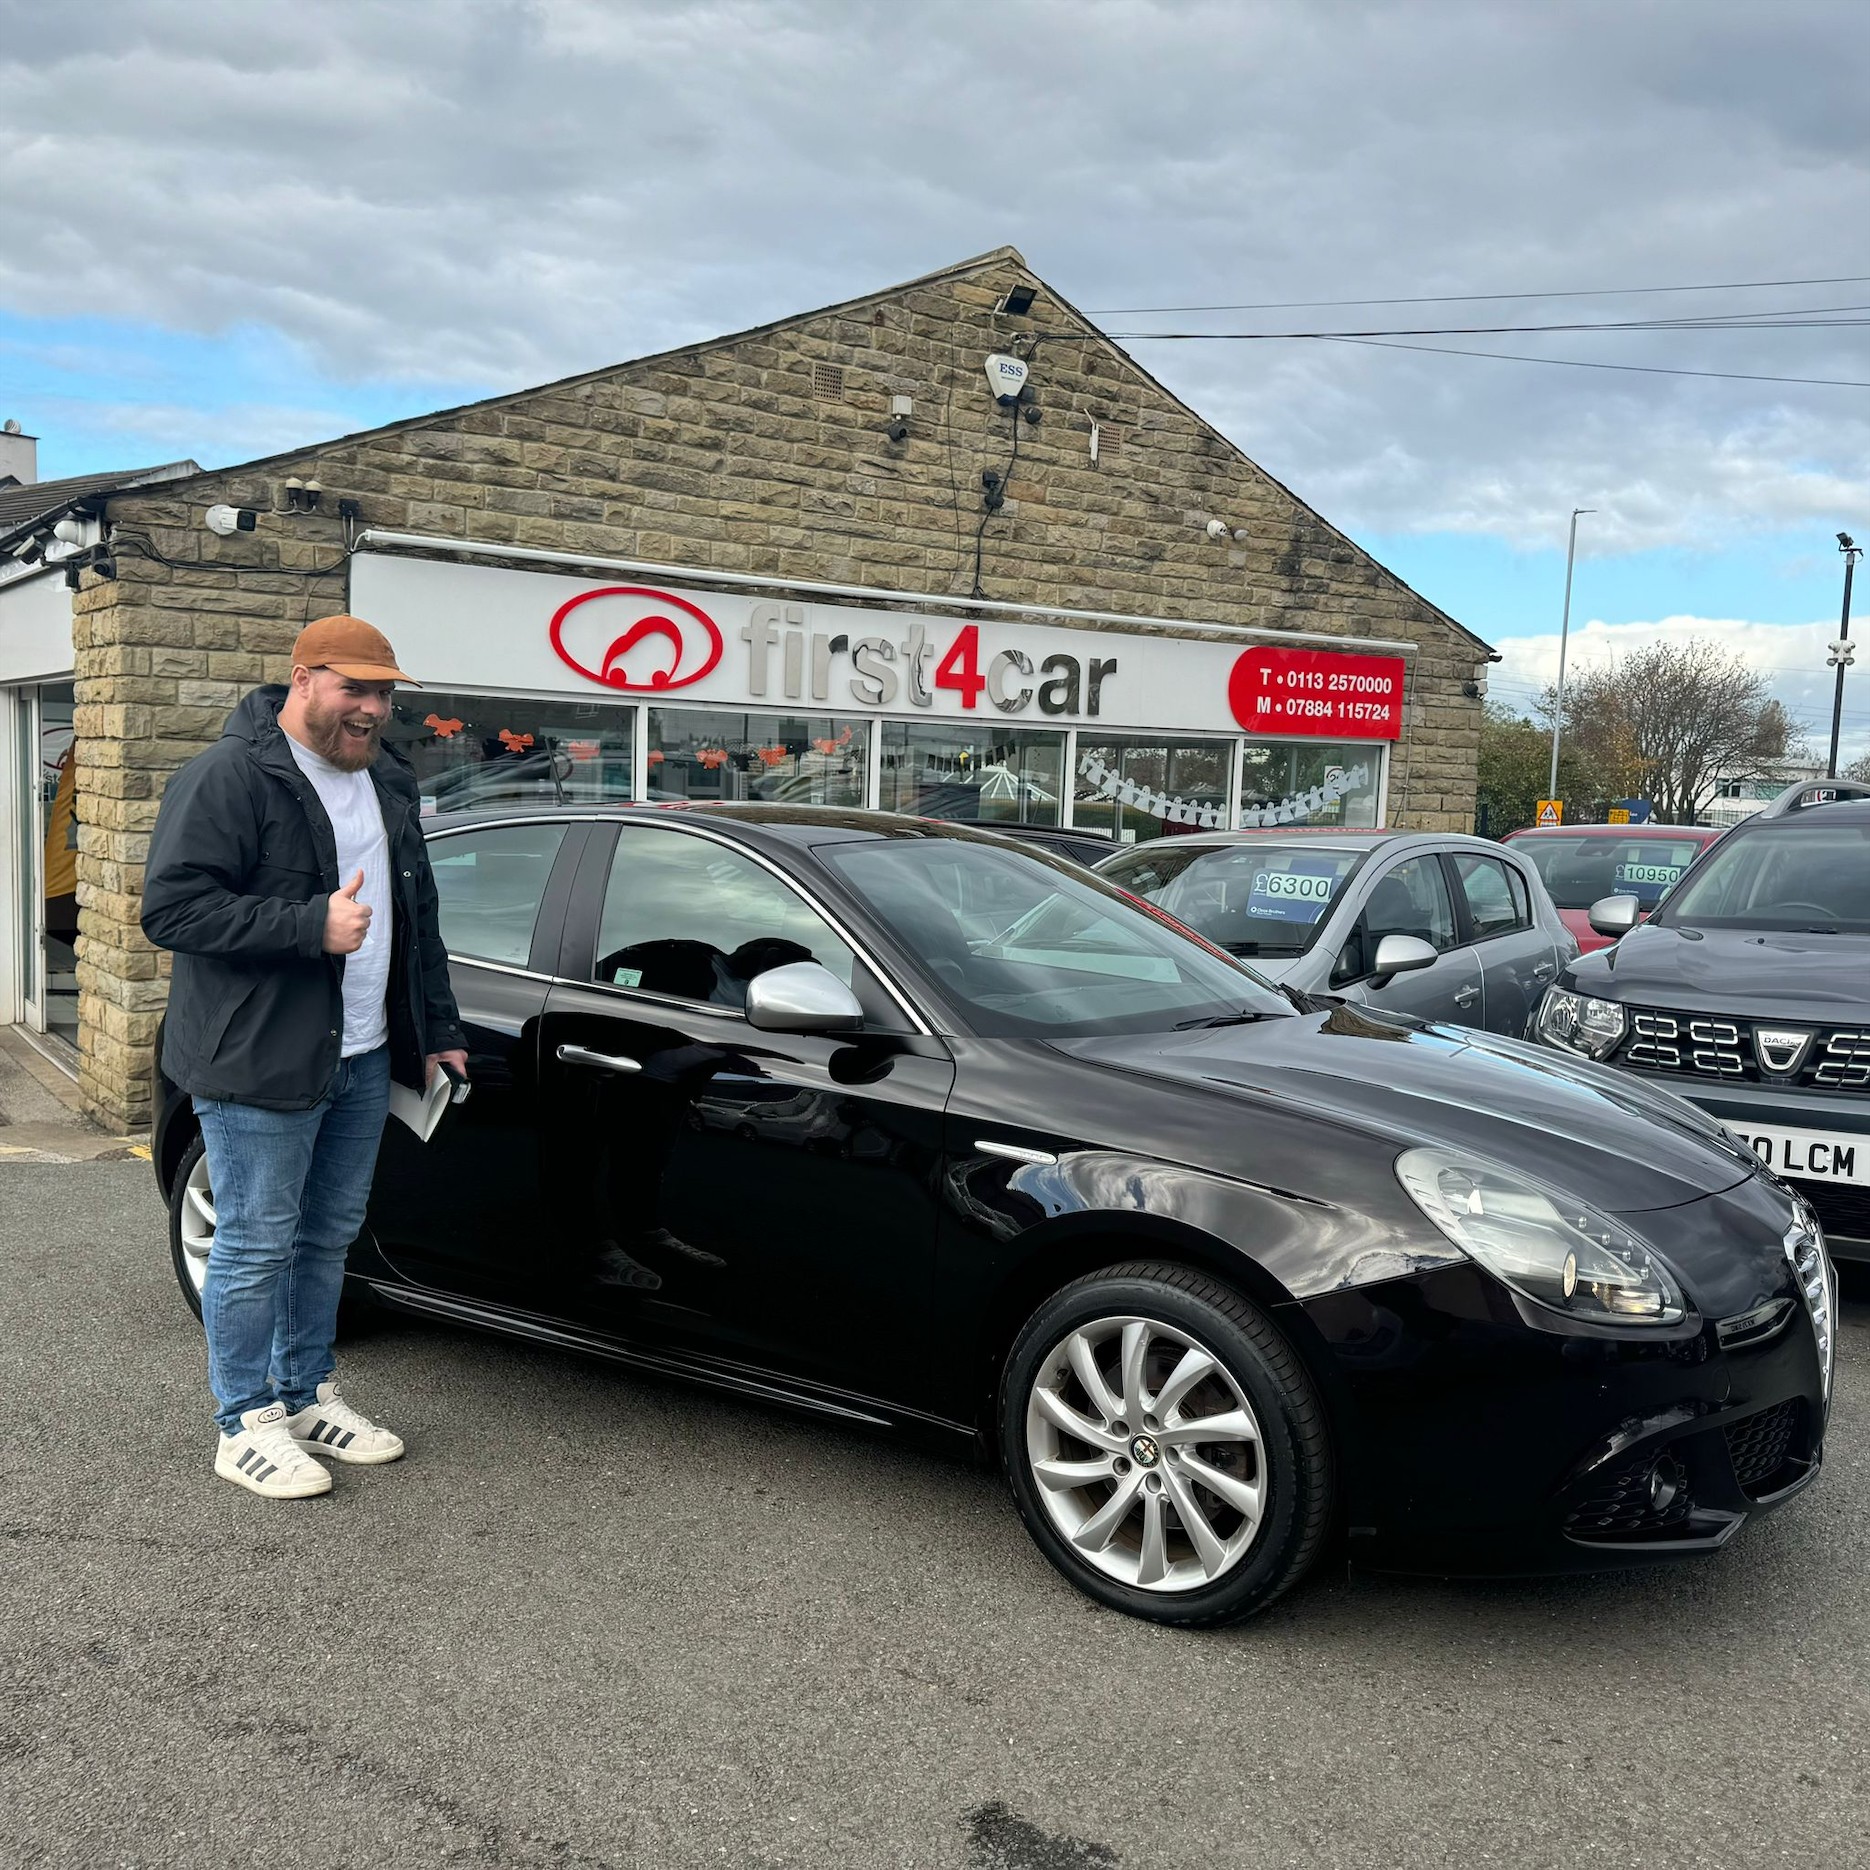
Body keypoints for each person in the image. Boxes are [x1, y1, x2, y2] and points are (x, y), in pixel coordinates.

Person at [142, 615, 468, 1499]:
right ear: (302, 679)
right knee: (254, 1242)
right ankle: (242, 1420)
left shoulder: (386, 781)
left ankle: (305, 1392)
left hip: (361, 1055)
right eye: (354, 689)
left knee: (327, 1234)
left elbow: (416, 922)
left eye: (385, 693)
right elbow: (171, 911)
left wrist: (436, 1029)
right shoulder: (227, 777)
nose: (372, 709)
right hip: (257, 1059)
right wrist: (307, 926)